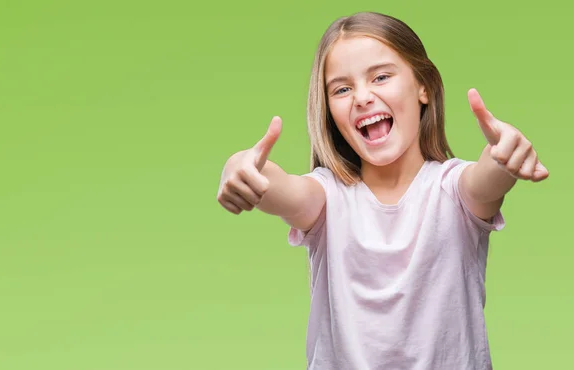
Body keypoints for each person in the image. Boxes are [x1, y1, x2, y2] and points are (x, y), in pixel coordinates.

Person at [216, 11, 548, 370]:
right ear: (328, 110)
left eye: (381, 76)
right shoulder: (327, 198)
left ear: (423, 86)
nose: (361, 97)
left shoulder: (453, 190)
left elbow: (486, 180)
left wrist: (504, 159)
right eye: (342, 89)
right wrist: (240, 167)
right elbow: (280, 188)